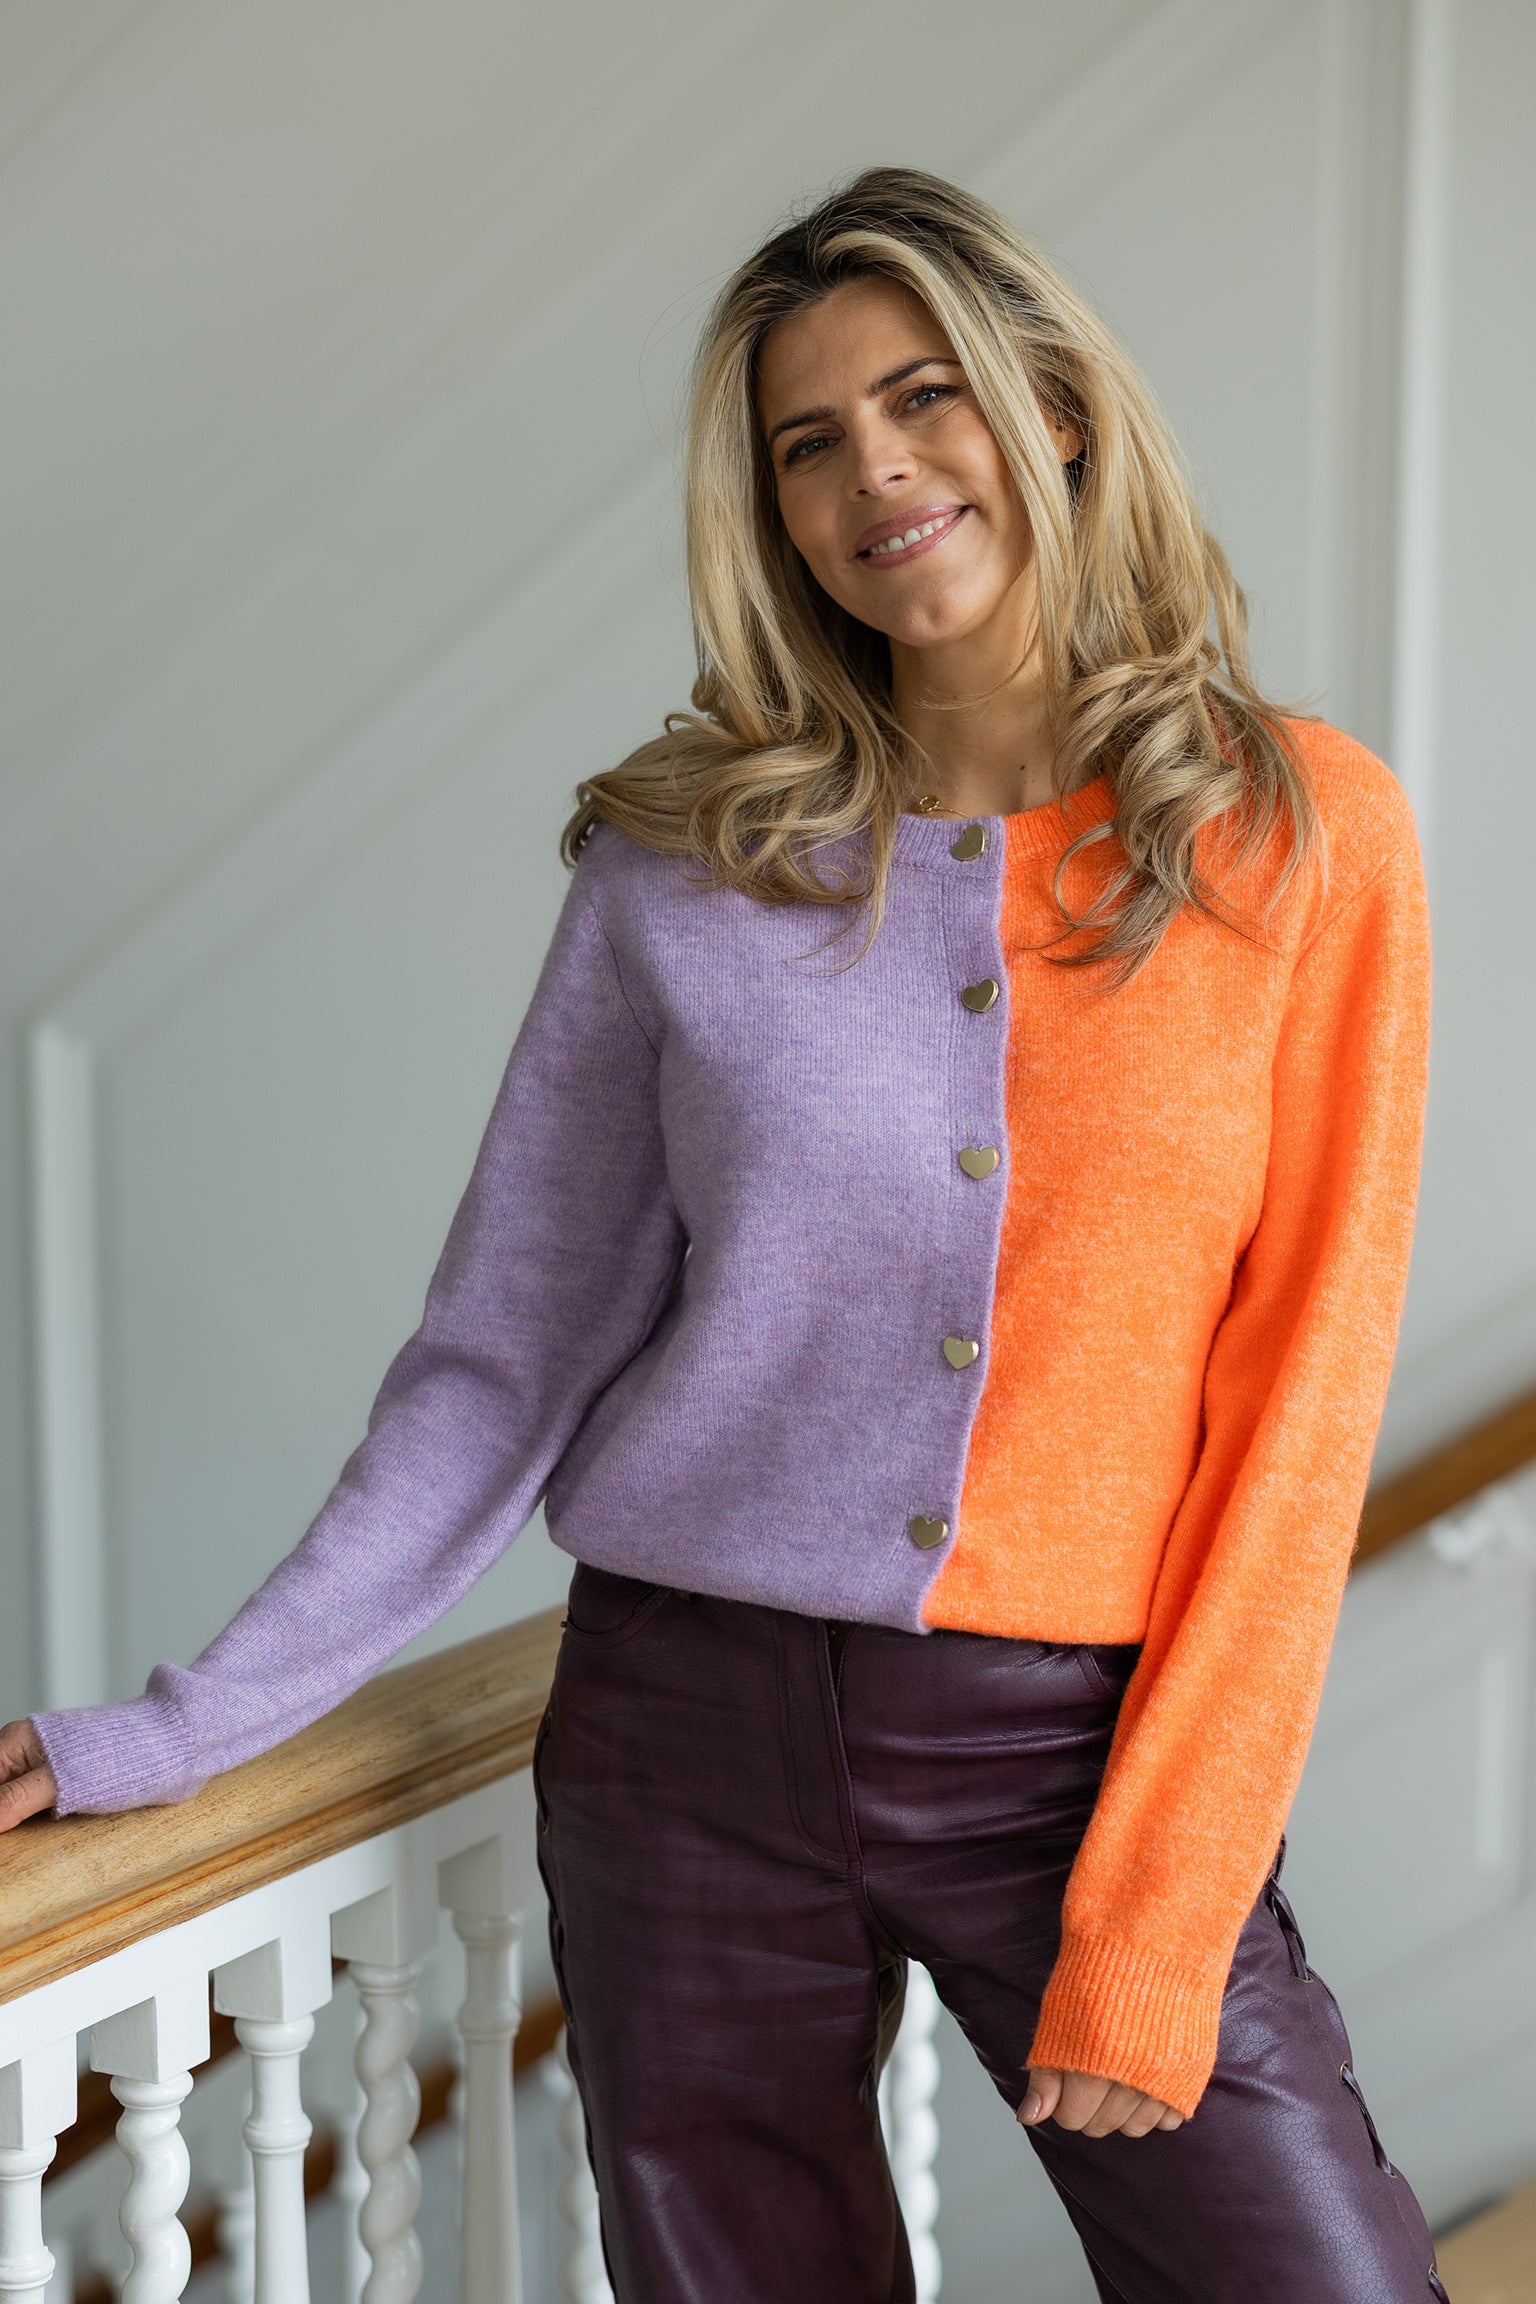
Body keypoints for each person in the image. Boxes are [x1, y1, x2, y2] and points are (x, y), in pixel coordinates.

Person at [0, 167, 1445, 2302]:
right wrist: (172, 1732)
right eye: (808, 441)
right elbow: (501, 1361)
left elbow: (1300, 1412)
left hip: (1065, 1753)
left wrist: (1164, 1904)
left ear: (1053, 411)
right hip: (676, 1734)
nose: (879, 472)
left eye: (926, 396)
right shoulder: (685, 868)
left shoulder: (1293, 834)